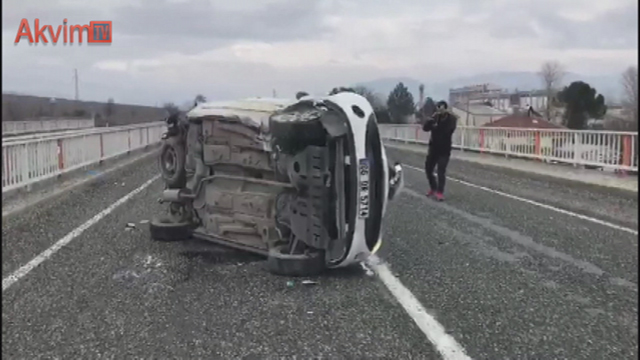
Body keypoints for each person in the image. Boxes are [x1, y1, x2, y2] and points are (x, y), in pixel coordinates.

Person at [422, 100, 457, 201]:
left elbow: (449, 130)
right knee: (428, 169)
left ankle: (440, 192)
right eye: (438, 108)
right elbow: (425, 128)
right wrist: (430, 121)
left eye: (441, 108)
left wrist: (437, 126)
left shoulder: (451, 119)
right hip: (434, 148)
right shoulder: (434, 118)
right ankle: (433, 188)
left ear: (445, 108)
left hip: (444, 149)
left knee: (441, 171)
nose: (439, 110)